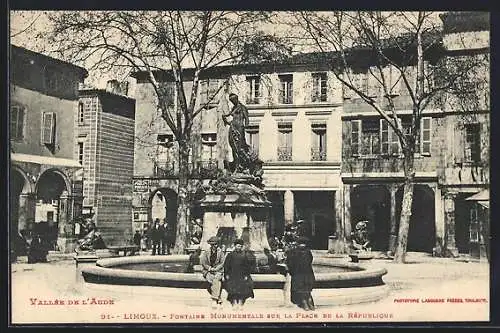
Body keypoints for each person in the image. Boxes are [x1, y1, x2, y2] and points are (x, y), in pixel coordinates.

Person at [222, 93, 260, 175]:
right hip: (233, 127)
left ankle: (241, 165)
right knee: (233, 146)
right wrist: (225, 119)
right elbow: (228, 115)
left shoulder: (242, 107)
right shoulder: (233, 108)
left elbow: (246, 118)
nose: (232, 102)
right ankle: (236, 164)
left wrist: (245, 127)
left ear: (236, 99)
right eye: (231, 101)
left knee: (239, 147)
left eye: (233, 100)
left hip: (239, 127)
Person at [285, 236, 316, 311]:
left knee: (299, 289)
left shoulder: (294, 251)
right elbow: (310, 261)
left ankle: (304, 303)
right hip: (308, 274)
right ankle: (310, 303)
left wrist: (290, 271)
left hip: (298, 274)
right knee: (307, 289)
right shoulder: (308, 252)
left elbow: (290, 263)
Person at [223, 239, 255, 310]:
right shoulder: (230, 255)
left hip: (241, 275)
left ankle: (240, 303)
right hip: (232, 275)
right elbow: (226, 266)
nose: (239, 247)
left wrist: (246, 275)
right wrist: (226, 275)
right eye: (238, 246)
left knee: (242, 289)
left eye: (240, 246)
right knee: (232, 290)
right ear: (235, 246)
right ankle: (234, 303)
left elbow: (247, 266)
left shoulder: (244, 255)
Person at [200, 236, 226, 309]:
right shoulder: (206, 252)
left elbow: (222, 263)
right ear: (210, 245)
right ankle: (219, 299)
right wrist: (209, 268)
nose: (215, 246)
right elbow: (203, 262)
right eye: (213, 244)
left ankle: (214, 300)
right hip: (208, 271)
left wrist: (216, 268)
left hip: (218, 271)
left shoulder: (220, 252)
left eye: (216, 244)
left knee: (216, 279)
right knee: (211, 279)